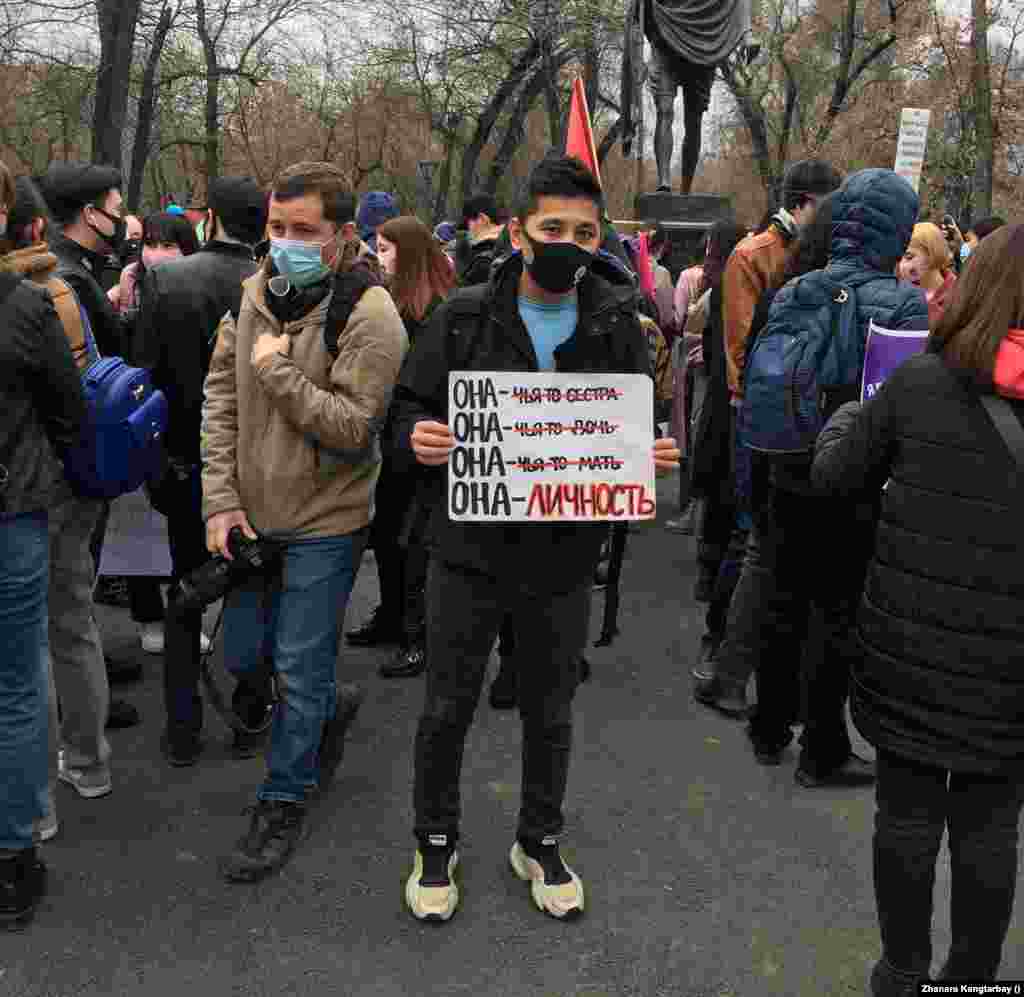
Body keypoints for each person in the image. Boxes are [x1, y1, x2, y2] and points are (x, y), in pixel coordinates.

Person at [392, 155, 680, 922]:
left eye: (585, 232)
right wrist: (413, 437)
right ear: (519, 232)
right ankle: (435, 837)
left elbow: (632, 424)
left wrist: (646, 453)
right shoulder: (462, 315)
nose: (569, 243)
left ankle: (539, 836)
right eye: (553, 228)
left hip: (562, 557)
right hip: (467, 552)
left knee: (551, 710)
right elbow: (406, 407)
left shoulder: (618, 318)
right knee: (446, 707)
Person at [811, 223, 1024, 994]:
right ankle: (970, 977)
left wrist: (844, 416)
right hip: (1012, 672)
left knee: (906, 814)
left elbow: (834, 478)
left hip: (910, 658)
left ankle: (901, 969)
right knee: (991, 825)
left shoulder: (921, 381)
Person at [201, 161, 406, 881]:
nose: (284, 242)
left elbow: (354, 427)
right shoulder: (254, 293)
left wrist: (279, 374)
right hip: (254, 516)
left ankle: (283, 798)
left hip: (328, 519)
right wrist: (220, 500)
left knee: (296, 664)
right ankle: (323, 709)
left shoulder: (372, 314)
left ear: (342, 235)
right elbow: (221, 400)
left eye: (303, 231)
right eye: (276, 228)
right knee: (244, 660)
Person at [721, 168, 929, 783]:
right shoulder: (901, 302)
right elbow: (903, 399)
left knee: (784, 597)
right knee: (837, 610)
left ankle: (768, 725)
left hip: (786, 461)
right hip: (854, 473)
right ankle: (823, 747)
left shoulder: (795, 289)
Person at [132, 176, 268, 766]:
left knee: (186, 594)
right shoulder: (270, 286)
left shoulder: (168, 280)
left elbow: (146, 376)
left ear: (210, 218)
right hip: (257, 466)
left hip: (189, 461)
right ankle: (249, 713)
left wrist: (158, 460)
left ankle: (183, 727)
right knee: (255, 590)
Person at [2, 173, 123, 817]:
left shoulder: (20, 300)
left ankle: (34, 802)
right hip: (76, 478)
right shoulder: (63, 289)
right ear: (40, 228)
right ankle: (89, 762)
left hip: (27, 490)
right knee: (73, 622)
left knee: (27, 651)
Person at [0, 160, 86, 928]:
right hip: (14, 512)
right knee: (17, 683)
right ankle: (14, 850)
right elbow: (70, 409)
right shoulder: (25, 306)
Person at [350, 215, 455, 680]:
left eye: (386, 249)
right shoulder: (392, 302)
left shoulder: (438, 310)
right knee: (391, 539)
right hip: (394, 439)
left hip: (424, 441)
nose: (378, 257)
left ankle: (418, 637)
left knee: (416, 545)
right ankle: (391, 617)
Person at [723, 159, 843, 401]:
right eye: (829, 207)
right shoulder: (750, 255)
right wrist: (743, 394)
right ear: (805, 204)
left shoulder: (829, 249)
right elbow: (739, 338)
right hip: (762, 394)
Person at [897, 222, 955, 326]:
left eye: (909, 257)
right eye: (898, 258)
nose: (902, 266)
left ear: (932, 253)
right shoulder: (899, 292)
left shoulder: (959, 294)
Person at [456, 194, 508, 287]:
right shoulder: (515, 249)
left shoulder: (483, 262)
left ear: (482, 219)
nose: (468, 231)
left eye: (467, 224)